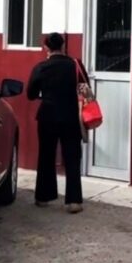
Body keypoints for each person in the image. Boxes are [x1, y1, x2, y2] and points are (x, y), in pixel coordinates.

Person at [26, 32, 84, 213]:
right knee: (72, 157)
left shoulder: (41, 68)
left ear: (46, 47)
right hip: (70, 117)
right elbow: (85, 88)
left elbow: (30, 94)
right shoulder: (75, 65)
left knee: (46, 155)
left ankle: (43, 197)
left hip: (47, 116)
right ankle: (74, 201)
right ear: (63, 46)